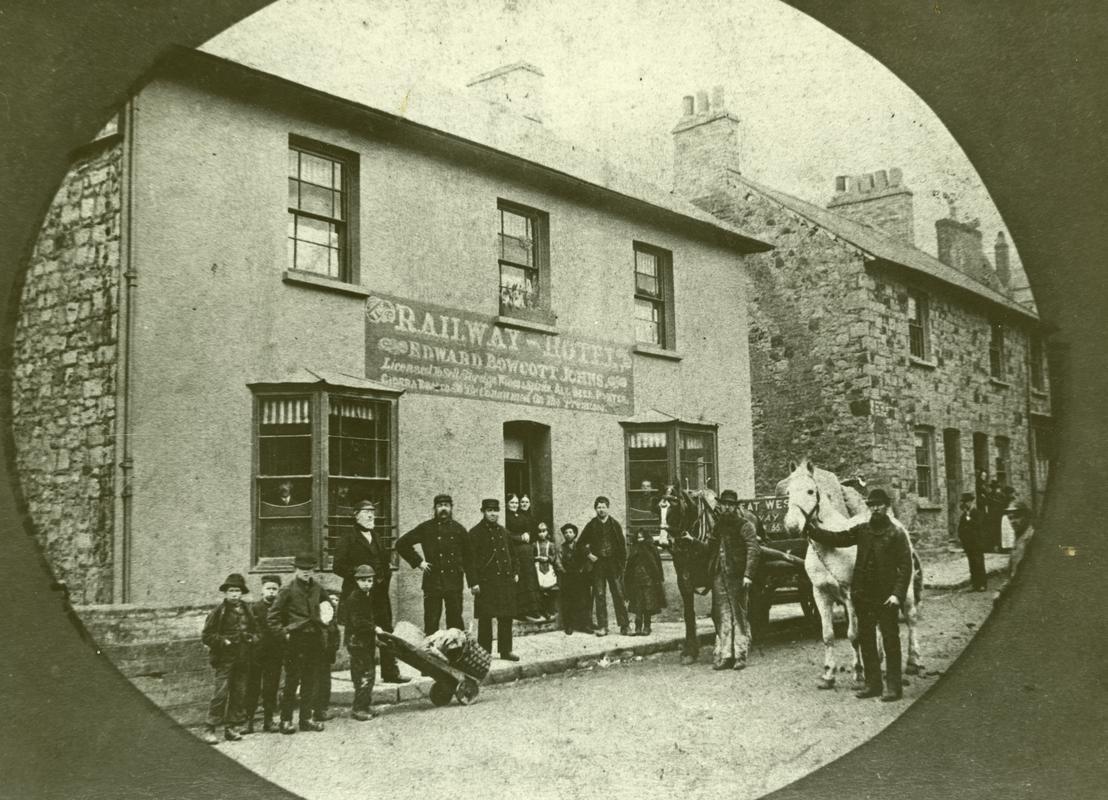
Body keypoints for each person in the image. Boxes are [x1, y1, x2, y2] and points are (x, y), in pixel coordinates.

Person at [805, 488, 913, 701]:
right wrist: (811, 530)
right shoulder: (863, 530)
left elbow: (906, 566)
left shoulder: (896, 533)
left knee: (890, 640)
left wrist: (897, 594)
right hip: (864, 595)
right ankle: (873, 684)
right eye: (872, 505)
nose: (875, 509)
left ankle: (894, 687)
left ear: (886, 507)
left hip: (886, 596)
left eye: (879, 505)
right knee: (867, 640)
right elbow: (837, 538)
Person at [332, 499, 409, 685]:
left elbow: (384, 562)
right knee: (361, 634)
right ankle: (363, 677)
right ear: (356, 515)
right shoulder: (347, 538)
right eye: (366, 512)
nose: (370, 516)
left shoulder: (376, 536)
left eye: (372, 512)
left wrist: (384, 578)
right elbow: (338, 566)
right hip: (358, 596)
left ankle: (390, 672)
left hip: (379, 595)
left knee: (386, 631)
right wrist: (359, 575)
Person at [267, 552, 328, 733]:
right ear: (296, 570)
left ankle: (305, 720)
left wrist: (325, 624)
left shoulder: (317, 588)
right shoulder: (287, 589)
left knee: (310, 680)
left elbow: (328, 608)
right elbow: (272, 617)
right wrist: (284, 633)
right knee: (292, 681)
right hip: (295, 640)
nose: (306, 572)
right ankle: (286, 720)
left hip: (314, 639)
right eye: (302, 569)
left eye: (309, 569)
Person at [395, 493, 472, 634]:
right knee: (431, 621)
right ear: (434, 508)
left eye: (446, 505)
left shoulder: (459, 529)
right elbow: (401, 544)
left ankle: (455, 648)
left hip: (454, 582)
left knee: (455, 622)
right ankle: (431, 647)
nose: (443, 509)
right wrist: (419, 562)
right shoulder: (426, 528)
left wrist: (473, 581)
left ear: (451, 508)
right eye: (440, 505)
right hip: (432, 582)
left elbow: (469, 557)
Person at [200, 573, 260, 744]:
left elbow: (257, 631)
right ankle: (210, 728)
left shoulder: (248, 610)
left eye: (237, 591)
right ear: (226, 593)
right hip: (225, 659)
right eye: (231, 591)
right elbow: (206, 636)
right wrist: (223, 641)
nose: (235, 594)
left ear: (242, 593)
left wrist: (253, 638)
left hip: (243, 657)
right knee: (220, 694)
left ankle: (231, 728)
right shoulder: (218, 612)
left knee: (239, 693)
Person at [707, 490, 760, 670]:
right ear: (720, 506)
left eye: (730, 505)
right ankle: (726, 655)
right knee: (722, 615)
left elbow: (753, 550)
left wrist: (748, 575)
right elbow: (709, 548)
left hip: (737, 576)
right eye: (724, 505)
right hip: (719, 576)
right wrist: (691, 540)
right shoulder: (718, 527)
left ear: (735, 507)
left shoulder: (744, 525)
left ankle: (740, 655)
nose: (727, 508)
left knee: (739, 615)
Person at [467, 498, 520, 660]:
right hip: (486, 583)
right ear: (483, 512)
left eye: (495, 510)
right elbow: (469, 561)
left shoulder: (504, 532)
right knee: (485, 617)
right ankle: (485, 653)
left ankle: (505, 651)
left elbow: (513, 555)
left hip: (505, 581)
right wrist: (473, 582)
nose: (493, 514)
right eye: (489, 510)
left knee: (506, 616)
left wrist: (515, 572)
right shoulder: (475, 533)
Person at [577, 496, 630, 637]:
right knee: (599, 595)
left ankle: (625, 626)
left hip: (613, 564)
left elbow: (622, 546)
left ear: (608, 508)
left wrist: (622, 565)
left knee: (618, 594)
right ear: (595, 509)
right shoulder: (591, 525)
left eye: (603, 507)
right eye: (598, 507)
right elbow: (580, 543)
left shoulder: (614, 524)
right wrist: (589, 554)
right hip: (598, 565)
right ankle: (603, 626)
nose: (601, 510)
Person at [243, 574, 283, 734]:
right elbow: (247, 629)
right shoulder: (254, 608)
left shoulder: (281, 608)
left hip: (275, 654)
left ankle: (268, 720)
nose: (271, 591)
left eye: (274, 589)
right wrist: (254, 639)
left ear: (278, 591)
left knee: (271, 687)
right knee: (252, 686)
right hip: (256, 654)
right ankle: (248, 721)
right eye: (268, 588)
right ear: (262, 590)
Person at [345, 564, 380, 721]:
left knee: (368, 673)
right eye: (363, 580)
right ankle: (358, 708)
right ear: (357, 581)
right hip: (357, 642)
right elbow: (358, 622)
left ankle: (365, 705)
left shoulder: (366, 596)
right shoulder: (355, 598)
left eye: (370, 581)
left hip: (365, 641)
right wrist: (374, 628)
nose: (367, 584)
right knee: (364, 674)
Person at [505, 493, 542, 623]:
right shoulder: (506, 517)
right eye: (512, 503)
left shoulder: (522, 516)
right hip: (515, 551)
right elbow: (506, 534)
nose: (514, 505)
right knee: (520, 580)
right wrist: (520, 537)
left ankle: (533, 608)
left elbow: (530, 529)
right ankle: (519, 611)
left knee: (529, 579)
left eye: (516, 503)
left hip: (527, 553)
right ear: (506, 504)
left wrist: (528, 534)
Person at [624, 525, 666, 636]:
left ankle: (647, 626)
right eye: (638, 538)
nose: (640, 540)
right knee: (638, 604)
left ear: (646, 537)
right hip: (636, 581)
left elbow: (657, 564)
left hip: (649, 582)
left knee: (648, 604)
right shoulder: (634, 549)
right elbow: (629, 567)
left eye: (642, 537)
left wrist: (658, 578)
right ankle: (638, 626)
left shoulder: (652, 549)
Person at [555, 523, 592, 634]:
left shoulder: (580, 546)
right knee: (568, 601)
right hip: (568, 577)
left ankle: (585, 625)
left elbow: (586, 559)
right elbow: (558, 562)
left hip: (581, 577)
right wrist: (564, 571)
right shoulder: (561, 548)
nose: (568, 534)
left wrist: (582, 570)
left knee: (583, 600)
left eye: (570, 532)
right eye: (566, 533)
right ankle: (569, 625)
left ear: (575, 534)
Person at [313, 590, 340, 722]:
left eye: (336, 600)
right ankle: (318, 710)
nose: (334, 602)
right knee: (319, 682)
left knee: (324, 682)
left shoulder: (332, 617)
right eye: (331, 599)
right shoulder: (323, 616)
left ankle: (322, 709)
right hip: (318, 654)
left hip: (326, 655)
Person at [957, 492, 988, 591]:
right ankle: (974, 584)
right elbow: (960, 529)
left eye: (967, 502)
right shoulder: (963, 516)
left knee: (979, 564)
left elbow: (978, 525)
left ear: (971, 502)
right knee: (972, 565)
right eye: (964, 502)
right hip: (968, 544)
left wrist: (969, 519)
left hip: (977, 543)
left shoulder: (978, 513)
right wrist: (963, 539)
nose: (965, 504)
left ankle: (982, 584)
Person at [533, 521, 559, 621]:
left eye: (544, 531)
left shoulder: (551, 544)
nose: (542, 534)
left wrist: (548, 558)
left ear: (547, 532)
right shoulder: (534, 544)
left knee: (550, 589)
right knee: (539, 588)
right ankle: (541, 610)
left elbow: (554, 556)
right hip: (538, 567)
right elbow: (531, 556)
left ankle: (549, 610)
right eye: (539, 531)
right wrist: (537, 558)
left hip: (548, 568)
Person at [1008, 502, 1035, 580]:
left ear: (1026, 517)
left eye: (1017, 517)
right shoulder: (1018, 536)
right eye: (1010, 518)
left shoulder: (1032, 537)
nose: (1012, 522)